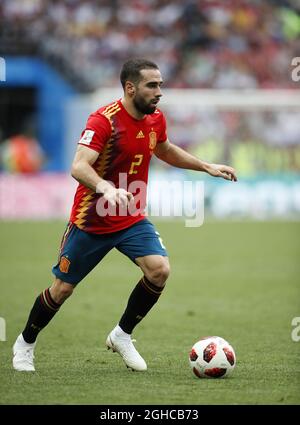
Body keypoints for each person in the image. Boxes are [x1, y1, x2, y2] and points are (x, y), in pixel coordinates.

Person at [12, 59, 237, 372]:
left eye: (160, 84)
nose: (159, 92)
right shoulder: (104, 120)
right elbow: (79, 165)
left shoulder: (155, 118)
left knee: (159, 270)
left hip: (131, 216)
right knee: (62, 289)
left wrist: (206, 166)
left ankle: (122, 335)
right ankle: (25, 342)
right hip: (92, 219)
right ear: (130, 88)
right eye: (152, 85)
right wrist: (106, 188)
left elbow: (165, 149)